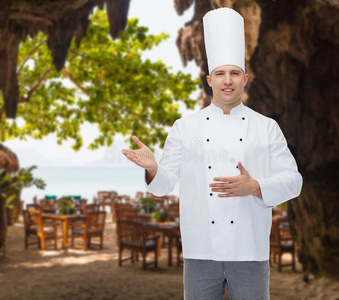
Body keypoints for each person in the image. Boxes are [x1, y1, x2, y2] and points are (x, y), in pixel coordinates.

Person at [122, 7, 302, 300]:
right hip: (200, 251)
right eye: (220, 73)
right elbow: (164, 184)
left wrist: (256, 186)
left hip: (251, 250)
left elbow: (294, 181)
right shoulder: (184, 127)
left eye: (234, 73)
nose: (227, 81)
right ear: (209, 80)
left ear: (245, 78)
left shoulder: (266, 127)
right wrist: (153, 167)